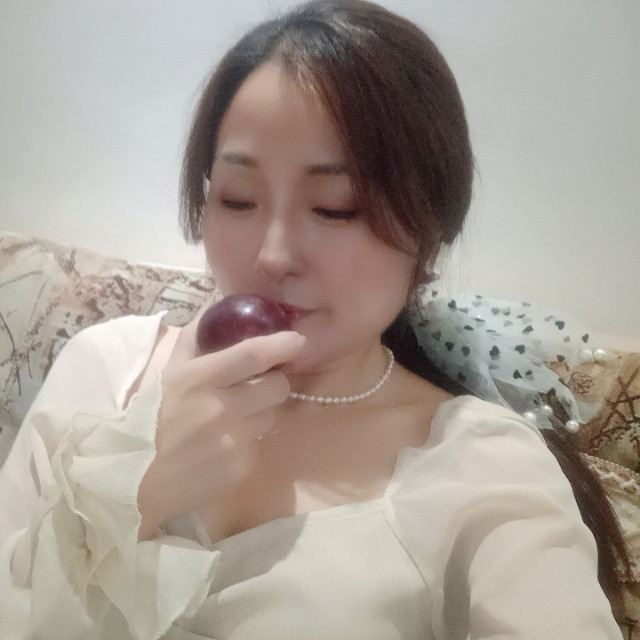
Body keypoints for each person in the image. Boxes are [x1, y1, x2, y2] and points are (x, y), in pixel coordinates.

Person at [0, 0, 627, 638]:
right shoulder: (106, 370)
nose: (272, 256)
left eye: (335, 207)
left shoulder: (481, 467)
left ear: (429, 231)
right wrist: (131, 490)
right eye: (237, 199)